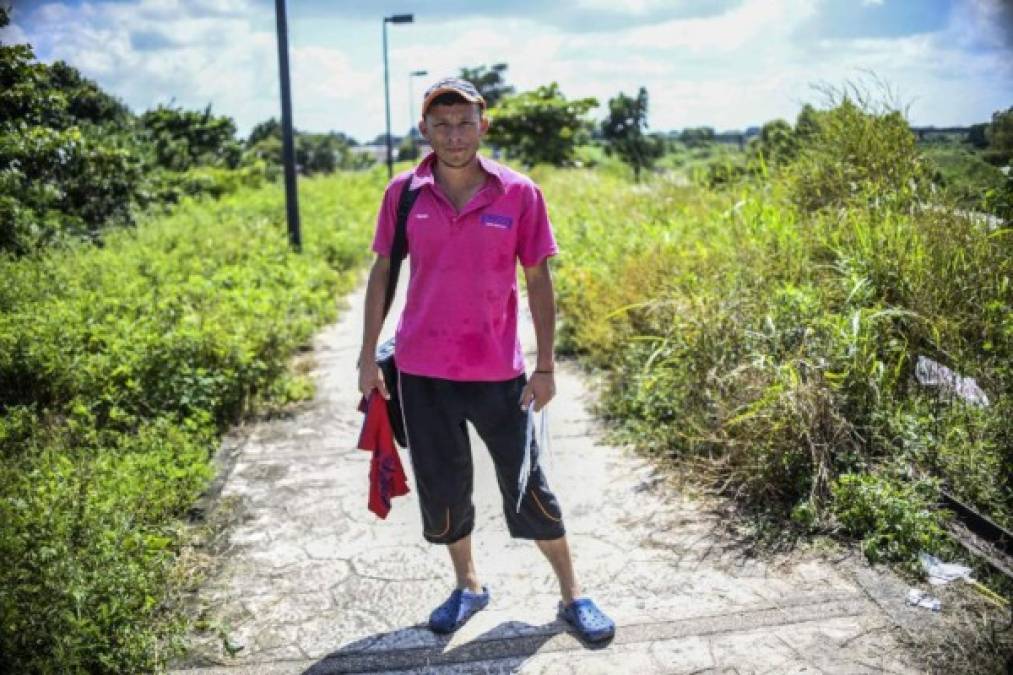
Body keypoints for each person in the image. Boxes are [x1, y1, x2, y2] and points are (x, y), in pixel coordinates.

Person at [356, 77, 615, 643]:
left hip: (499, 373)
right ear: (424, 129)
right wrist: (366, 358)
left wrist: (544, 366)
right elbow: (382, 273)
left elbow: (539, 280)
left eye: (464, 123)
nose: (453, 136)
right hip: (422, 373)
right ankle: (468, 585)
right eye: (441, 125)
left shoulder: (519, 193)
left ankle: (573, 595)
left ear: (484, 126)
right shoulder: (404, 194)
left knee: (530, 486)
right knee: (443, 488)